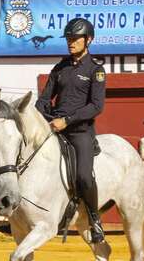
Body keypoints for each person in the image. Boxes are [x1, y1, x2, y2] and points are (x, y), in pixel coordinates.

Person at [36, 17, 106, 243]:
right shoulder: (60, 68)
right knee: (26, 160)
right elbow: (44, 99)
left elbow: (96, 106)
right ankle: (19, 215)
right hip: (54, 127)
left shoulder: (96, 70)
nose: (71, 42)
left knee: (84, 176)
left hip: (80, 131)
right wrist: (44, 117)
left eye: (75, 39)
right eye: (68, 38)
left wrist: (67, 120)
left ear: (89, 40)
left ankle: (95, 220)